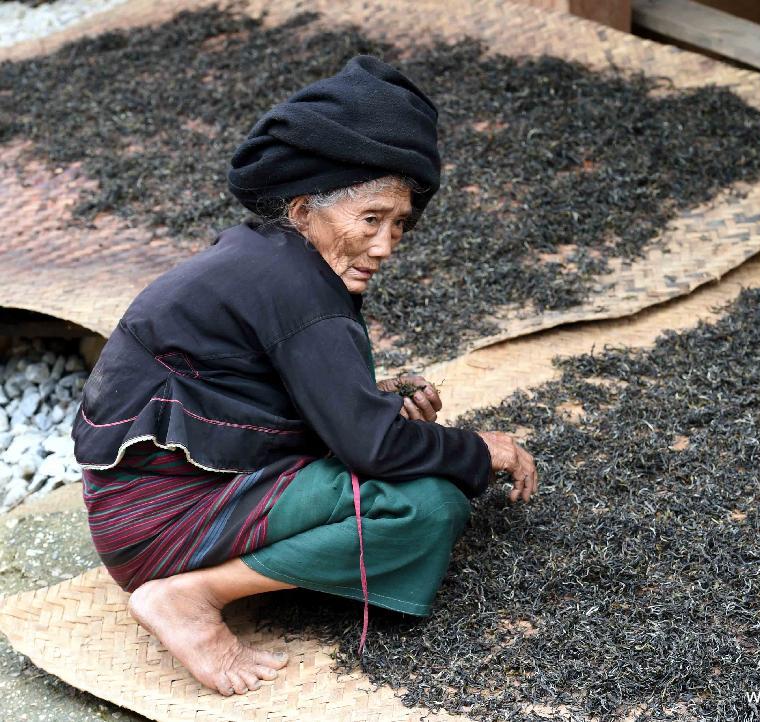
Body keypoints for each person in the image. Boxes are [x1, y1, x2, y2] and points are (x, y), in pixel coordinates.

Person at [72, 55, 537, 698]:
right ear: (302, 210)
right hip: (156, 521)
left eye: (399, 224)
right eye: (370, 219)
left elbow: (273, 396)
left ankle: (205, 579)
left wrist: (377, 404)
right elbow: (371, 450)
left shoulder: (266, 255)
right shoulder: (299, 289)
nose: (385, 246)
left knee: (413, 462)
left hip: (138, 501)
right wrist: (482, 448)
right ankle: (188, 596)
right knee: (425, 500)